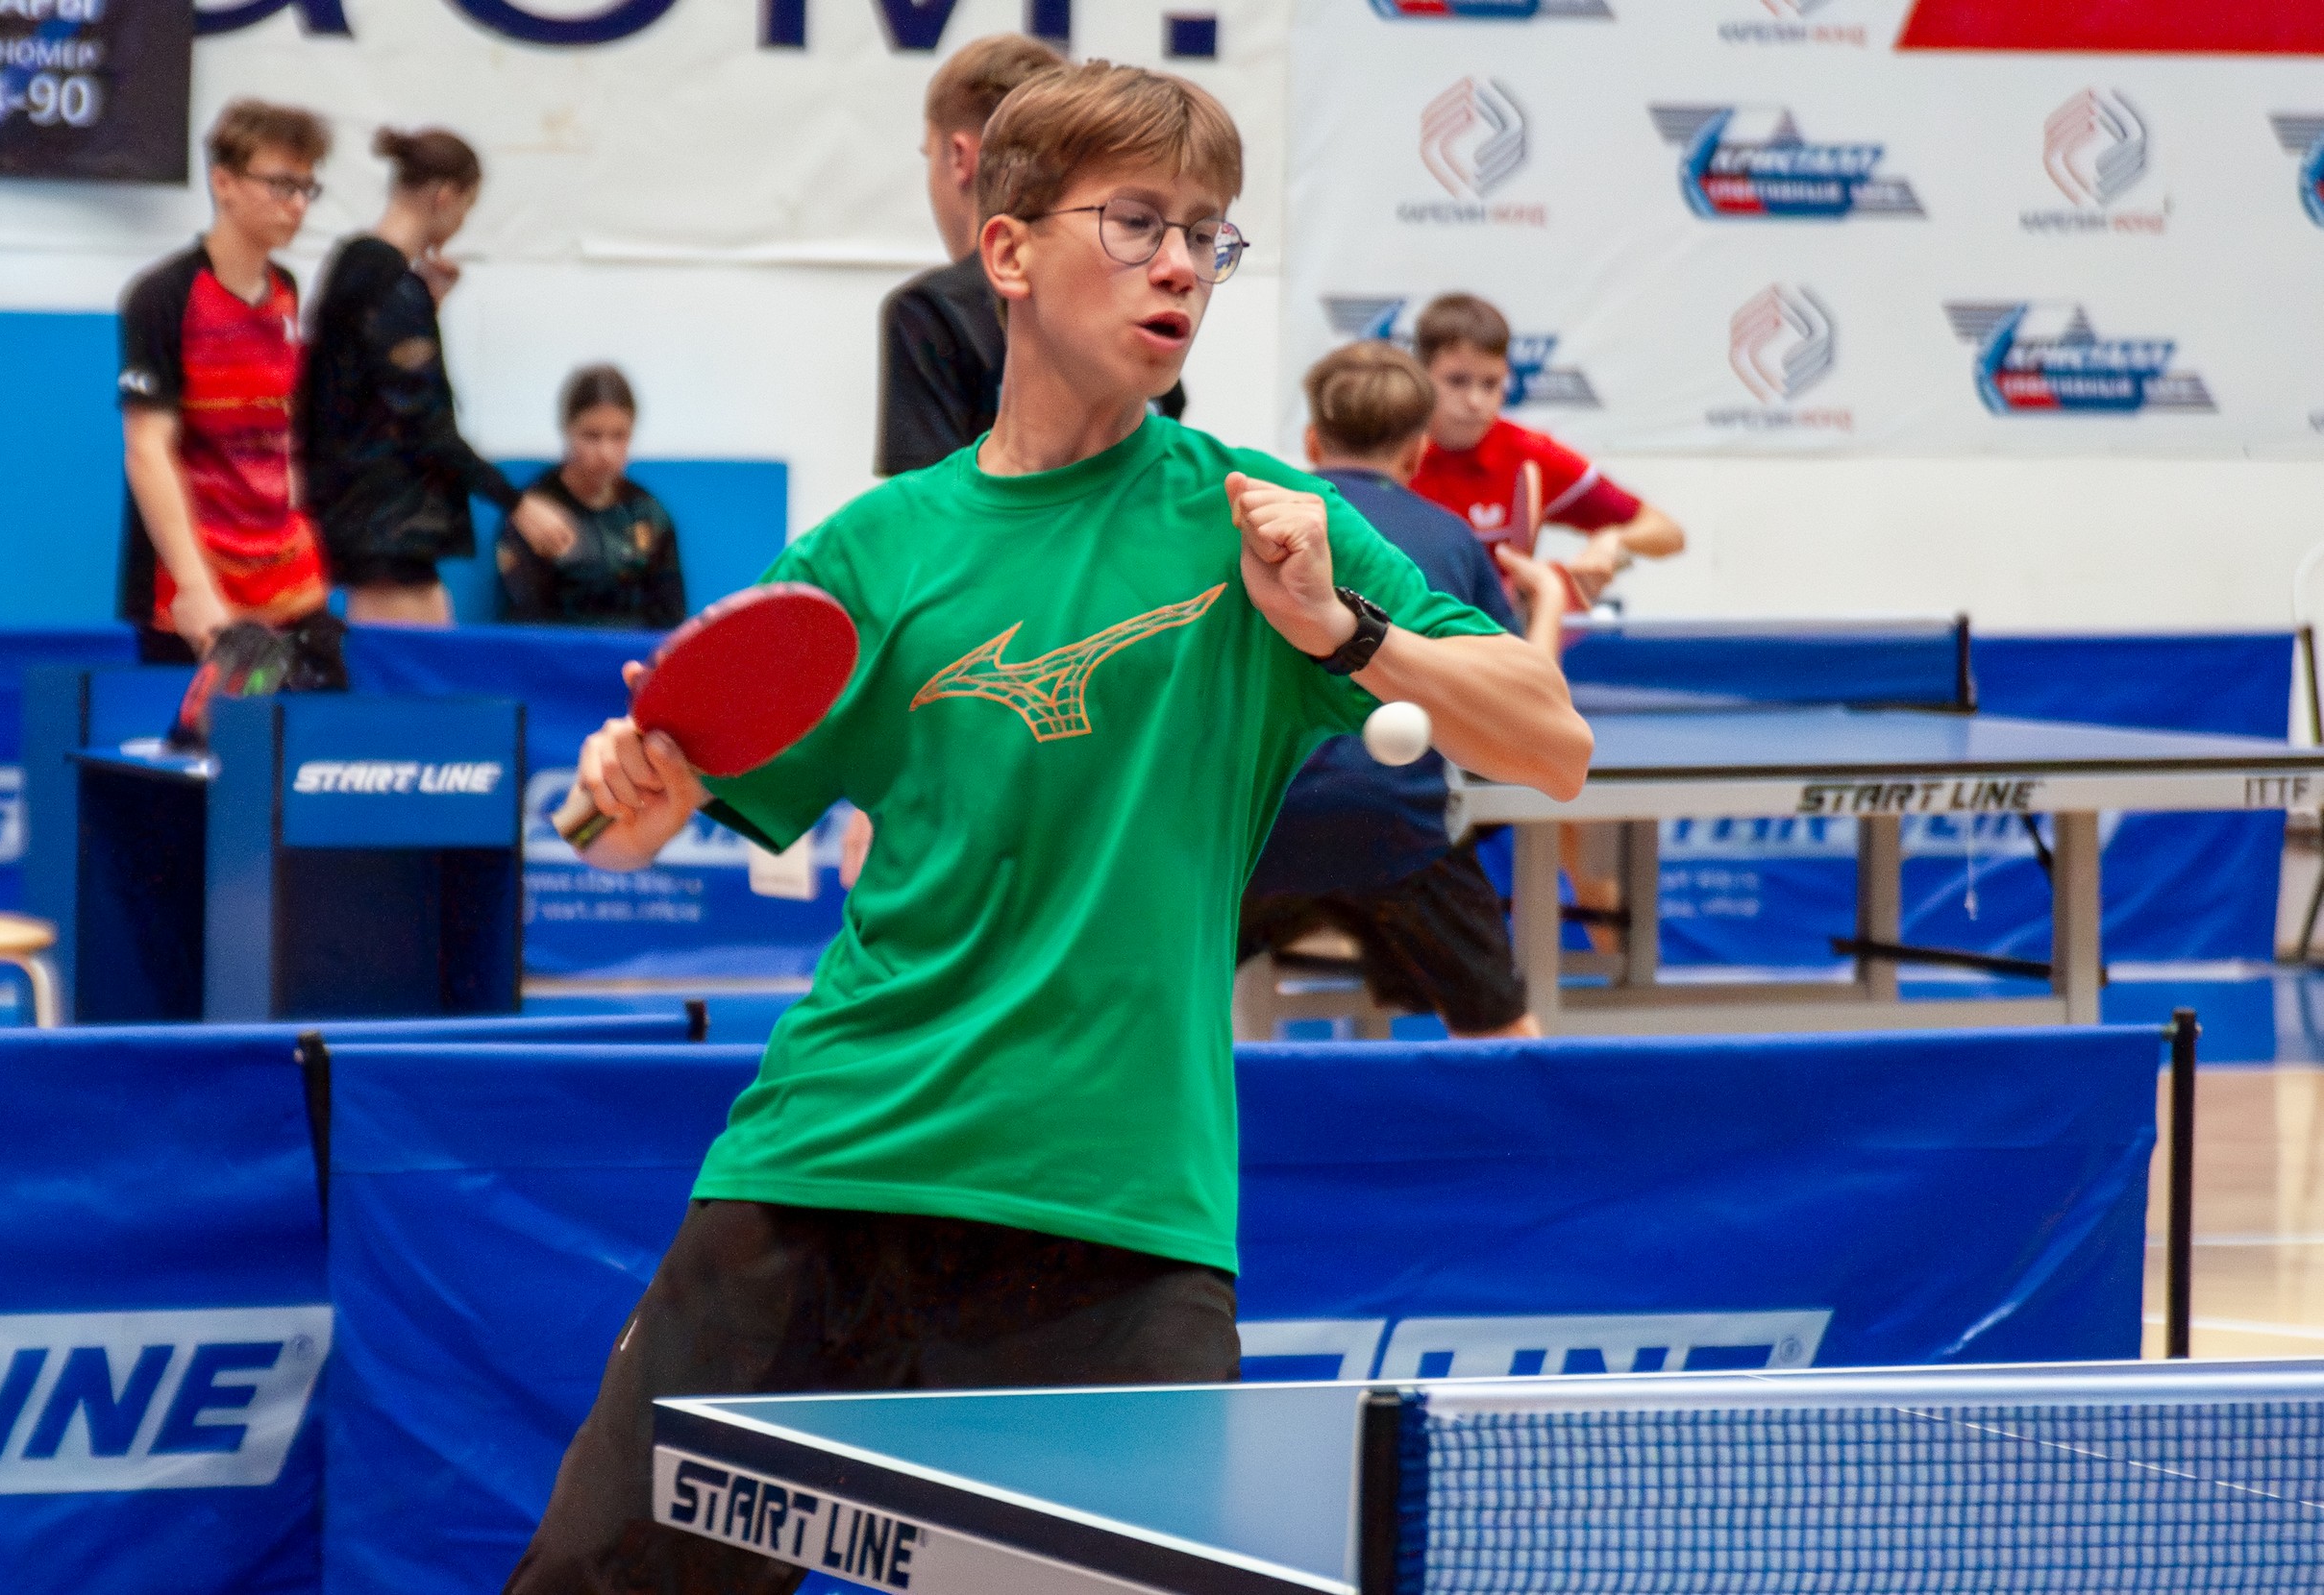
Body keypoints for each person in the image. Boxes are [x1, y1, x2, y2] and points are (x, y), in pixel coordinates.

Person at [507, 61, 1590, 1593]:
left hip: (1116, 1215)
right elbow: (619, 834)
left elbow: (1549, 743)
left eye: (1207, 235)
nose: (1180, 266)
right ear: (1007, 251)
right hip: (829, 1170)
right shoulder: (880, 548)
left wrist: (1341, 631)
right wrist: (626, 789)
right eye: (1137, 223)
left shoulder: (1260, 522)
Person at [1240, 341, 1568, 1041]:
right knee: (1503, 1038)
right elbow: (1522, 712)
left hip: (1258, 828)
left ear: (1311, 443)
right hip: (1398, 832)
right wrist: (1547, 601)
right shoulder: (1450, 539)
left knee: (1163, 1006)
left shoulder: (1251, 531)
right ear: (1419, 453)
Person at [876, 33, 1185, 478]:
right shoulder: (1128, 305)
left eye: (930, 156)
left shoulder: (932, 311)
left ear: (960, 157)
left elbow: (925, 508)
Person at [301, 126, 576, 626]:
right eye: (466, 209)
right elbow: (423, 420)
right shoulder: (388, 283)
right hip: (384, 526)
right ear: (445, 197)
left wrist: (425, 307)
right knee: (406, 666)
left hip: (373, 522)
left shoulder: (358, 268)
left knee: (430, 640)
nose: (461, 224)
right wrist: (516, 503)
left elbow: (364, 382)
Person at [116, 100, 343, 683]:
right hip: (200, 584)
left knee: (315, 729)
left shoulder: (287, 291)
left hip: (286, 576)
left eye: (307, 189)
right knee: (207, 740)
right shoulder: (163, 295)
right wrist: (194, 588)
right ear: (224, 183)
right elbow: (147, 449)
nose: (297, 205)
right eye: (281, 185)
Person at [1408, 292, 1684, 609]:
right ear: (1420, 376)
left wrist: (1613, 540)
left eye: (1490, 383)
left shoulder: (1529, 456)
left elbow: (1667, 533)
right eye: (1457, 381)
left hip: (1497, 636)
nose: (1475, 401)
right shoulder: (1386, 448)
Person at [496, 365, 687, 630]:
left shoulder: (649, 514)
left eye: (619, 436)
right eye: (591, 436)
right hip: (557, 651)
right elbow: (527, 620)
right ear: (567, 430)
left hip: (634, 653)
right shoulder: (535, 515)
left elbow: (671, 619)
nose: (606, 452)